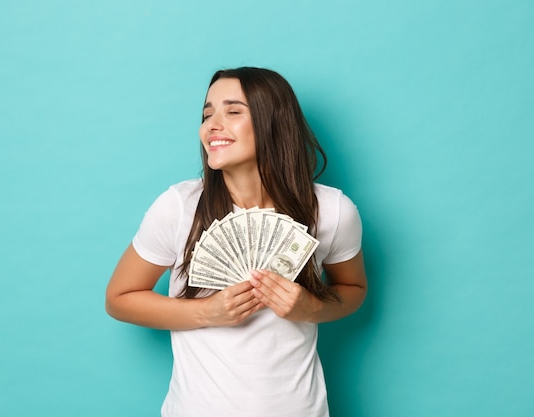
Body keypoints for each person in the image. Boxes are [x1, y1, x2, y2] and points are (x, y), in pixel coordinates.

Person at [105, 67, 367, 417]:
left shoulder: (333, 210)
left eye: (232, 111)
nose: (212, 124)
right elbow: (119, 298)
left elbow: (353, 288)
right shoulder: (179, 207)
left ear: (272, 122)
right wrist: (206, 312)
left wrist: (311, 308)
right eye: (207, 113)